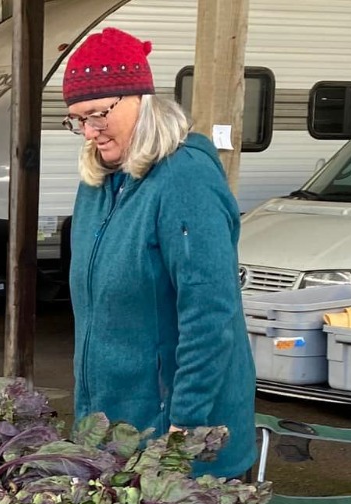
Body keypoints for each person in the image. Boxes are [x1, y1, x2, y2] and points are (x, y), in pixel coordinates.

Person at [64, 28, 256, 480]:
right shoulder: (98, 182)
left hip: (174, 444)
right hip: (110, 437)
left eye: (97, 115)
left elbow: (209, 314)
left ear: (141, 101)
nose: (89, 133)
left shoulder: (184, 180)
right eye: (76, 120)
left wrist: (184, 431)